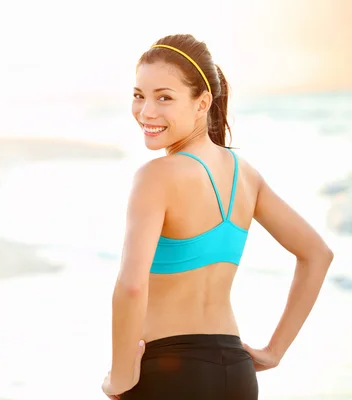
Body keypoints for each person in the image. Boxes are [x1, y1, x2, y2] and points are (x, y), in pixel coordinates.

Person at [101, 33, 334, 400]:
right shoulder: (247, 176)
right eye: (138, 95)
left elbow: (131, 286)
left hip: (169, 373)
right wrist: (274, 352)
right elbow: (318, 254)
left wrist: (121, 374)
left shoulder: (155, 177)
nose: (146, 111)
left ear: (202, 102)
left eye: (164, 97)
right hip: (237, 375)